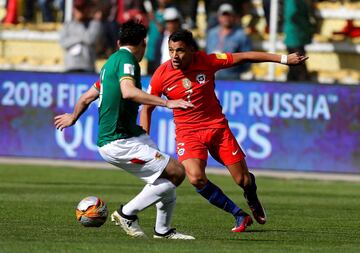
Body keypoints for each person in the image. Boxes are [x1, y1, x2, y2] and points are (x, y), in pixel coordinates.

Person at [140, 29, 308, 232]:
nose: (175, 56)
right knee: (195, 177)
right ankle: (239, 215)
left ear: (193, 50)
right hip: (188, 133)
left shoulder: (208, 61)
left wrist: (283, 59)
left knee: (242, 179)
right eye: (171, 50)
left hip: (217, 128)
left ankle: (251, 194)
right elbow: (146, 106)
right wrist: (145, 139)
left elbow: (245, 56)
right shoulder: (161, 74)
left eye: (180, 50)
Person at [54, 20, 195, 240]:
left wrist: (73, 117)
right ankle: (126, 213)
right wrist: (168, 103)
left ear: (119, 41)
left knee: (166, 179)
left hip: (131, 133)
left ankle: (163, 231)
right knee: (176, 172)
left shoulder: (110, 63)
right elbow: (128, 92)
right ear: (143, 44)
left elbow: (87, 97)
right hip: (118, 140)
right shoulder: (127, 60)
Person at [206, 3, 252, 80]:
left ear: (234, 17)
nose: (226, 18)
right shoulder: (211, 33)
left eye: (229, 15)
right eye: (224, 15)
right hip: (212, 77)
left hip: (232, 78)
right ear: (219, 17)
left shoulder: (241, 35)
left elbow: (247, 60)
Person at [59, 0, 103, 72]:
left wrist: (79, 25)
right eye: (78, 9)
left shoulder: (94, 24)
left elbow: (90, 39)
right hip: (70, 66)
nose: (80, 12)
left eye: (82, 9)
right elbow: (63, 43)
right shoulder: (67, 25)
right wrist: (80, 38)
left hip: (87, 66)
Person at [283, 0, 314, 81]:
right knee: (299, 70)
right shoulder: (293, 2)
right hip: (295, 37)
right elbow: (292, 15)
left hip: (297, 37)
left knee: (294, 70)